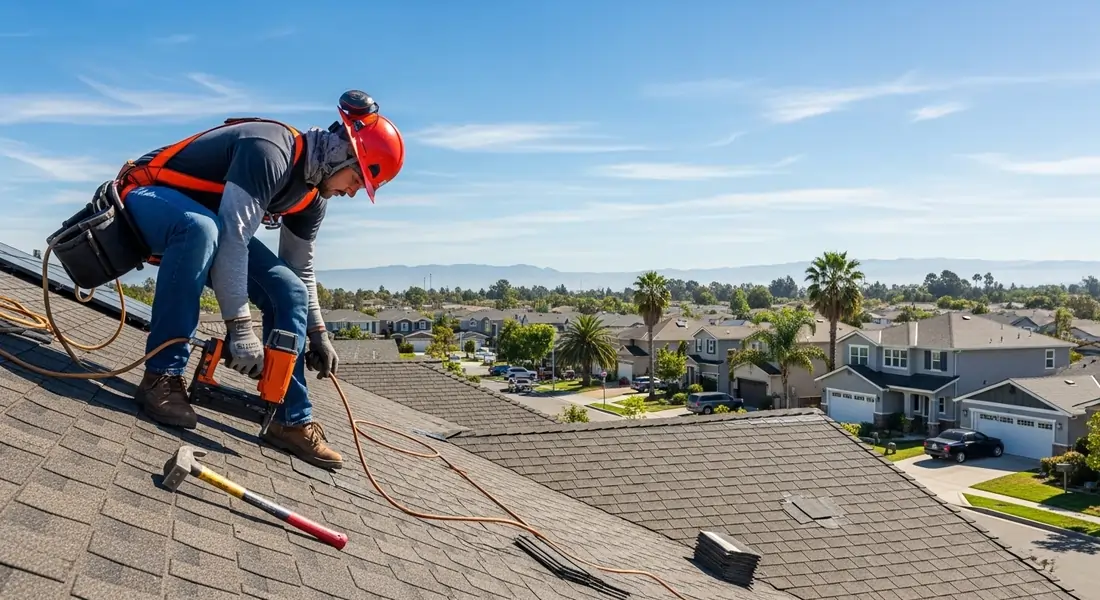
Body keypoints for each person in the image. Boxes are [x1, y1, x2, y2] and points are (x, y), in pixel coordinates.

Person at [115, 90, 404, 470]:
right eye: (357, 178)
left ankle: (289, 420)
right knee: (201, 229)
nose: (352, 192)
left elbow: (300, 270)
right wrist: (240, 328)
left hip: (210, 229)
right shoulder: (269, 150)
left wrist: (318, 333)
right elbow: (234, 238)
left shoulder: (312, 198)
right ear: (340, 153)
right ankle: (161, 377)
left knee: (290, 291)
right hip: (144, 196)